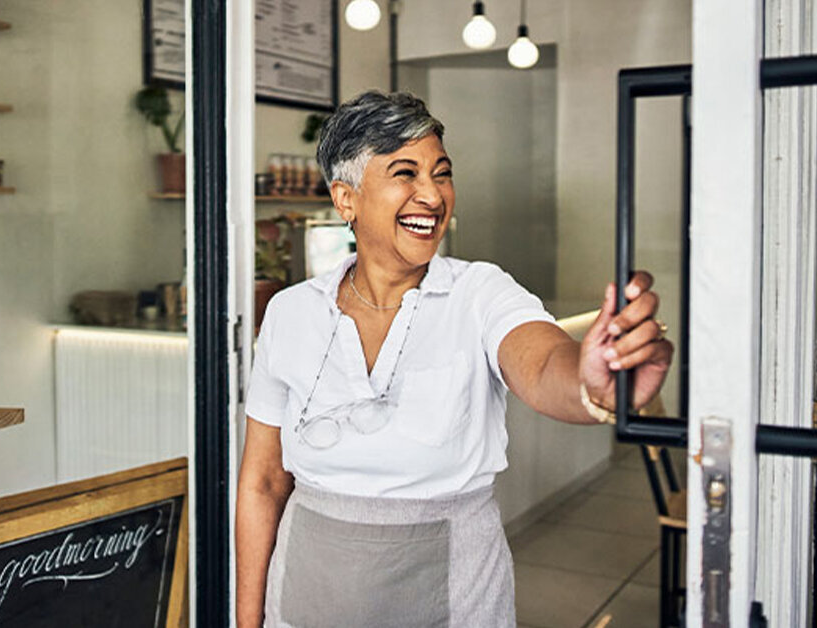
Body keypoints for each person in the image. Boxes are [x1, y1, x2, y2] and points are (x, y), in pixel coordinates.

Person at [236, 91, 673, 627]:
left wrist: (593, 384)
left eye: (441, 174)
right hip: (306, 595)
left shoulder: (480, 292)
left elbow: (539, 365)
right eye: (405, 173)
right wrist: (246, 618)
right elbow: (262, 482)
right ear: (345, 199)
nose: (433, 195)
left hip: (450, 597)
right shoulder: (291, 312)